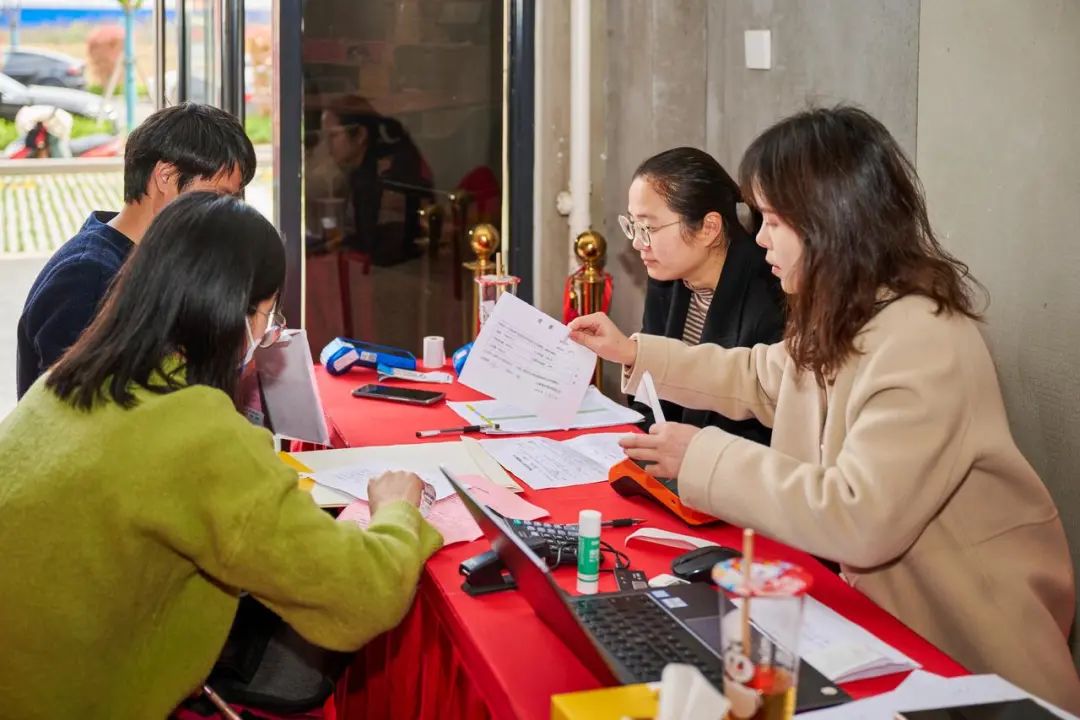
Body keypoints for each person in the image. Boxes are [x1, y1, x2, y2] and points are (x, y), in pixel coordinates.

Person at [569, 107, 1080, 710]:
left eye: (774, 221)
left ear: (831, 223)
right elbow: (761, 376)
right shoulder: (848, 309)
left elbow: (859, 517)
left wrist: (702, 455)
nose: (759, 239)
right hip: (883, 625)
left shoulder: (923, 337)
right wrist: (633, 352)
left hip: (968, 652)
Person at [0, 193, 442, 719]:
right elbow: (363, 595)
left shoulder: (66, 381)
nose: (268, 330)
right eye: (269, 313)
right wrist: (397, 511)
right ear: (236, 312)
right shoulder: (197, 431)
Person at [16, 102, 256, 399]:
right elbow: (71, 407)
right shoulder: (88, 276)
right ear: (166, 177)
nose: (224, 212)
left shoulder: (153, 260)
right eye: (218, 196)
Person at [622, 147, 784, 444]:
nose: (637, 243)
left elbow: (760, 426)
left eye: (648, 227)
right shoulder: (666, 277)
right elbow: (647, 400)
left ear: (708, 228)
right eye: (633, 225)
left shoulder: (772, 292)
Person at [316, 97, 433, 264]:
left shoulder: (387, 173)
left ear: (360, 135)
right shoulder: (357, 170)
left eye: (333, 135)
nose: (327, 145)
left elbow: (380, 244)